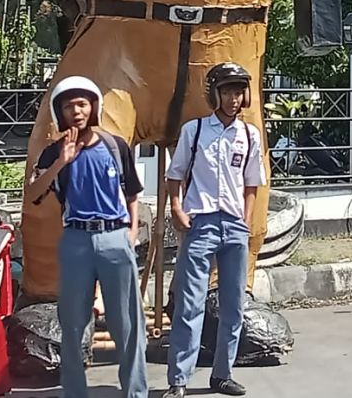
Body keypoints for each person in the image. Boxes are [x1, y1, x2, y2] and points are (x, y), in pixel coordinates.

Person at [24, 76, 148, 398]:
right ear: (59, 112)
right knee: (73, 323)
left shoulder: (114, 146)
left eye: (82, 103)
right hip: (76, 241)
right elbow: (33, 194)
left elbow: (132, 194)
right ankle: (75, 392)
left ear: (93, 106)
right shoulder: (53, 152)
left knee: (128, 323)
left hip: (115, 238)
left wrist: (131, 232)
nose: (76, 111)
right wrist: (60, 164)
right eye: (68, 105)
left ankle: (135, 392)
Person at [163, 63, 266, 398]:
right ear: (214, 94)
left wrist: (246, 221)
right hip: (201, 223)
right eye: (227, 91)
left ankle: (222, 374)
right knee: (189, 304)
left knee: (234, 305)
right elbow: (174, 176)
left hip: (234, 225)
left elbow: (252, 183)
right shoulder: (194, 132)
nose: (233, 98)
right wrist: (177, 209)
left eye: (238, 91)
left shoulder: (249, 135)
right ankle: (178, 380)